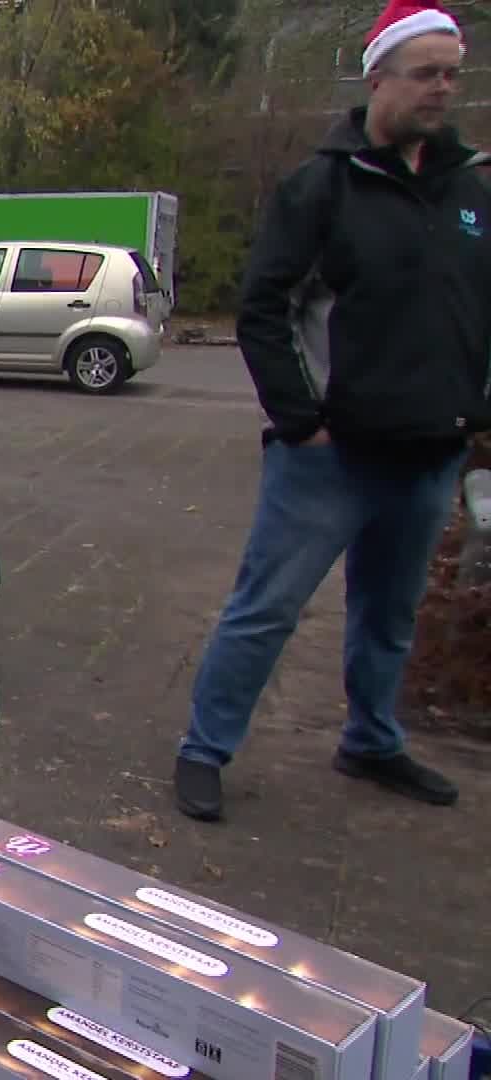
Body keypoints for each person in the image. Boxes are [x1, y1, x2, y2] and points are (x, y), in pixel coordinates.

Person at [173, 0, 490, 822]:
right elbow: (264, 308)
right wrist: (302, 419)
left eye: (452, 74)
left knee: (389, 615)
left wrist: (474, 408)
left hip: (431, 452)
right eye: (425, 74)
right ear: (377, 76)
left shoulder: (469, 189)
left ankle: (372, 741)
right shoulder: (323, 188)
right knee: (266, 609)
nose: (442, 90)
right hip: (331, 457)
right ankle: (204, 749)